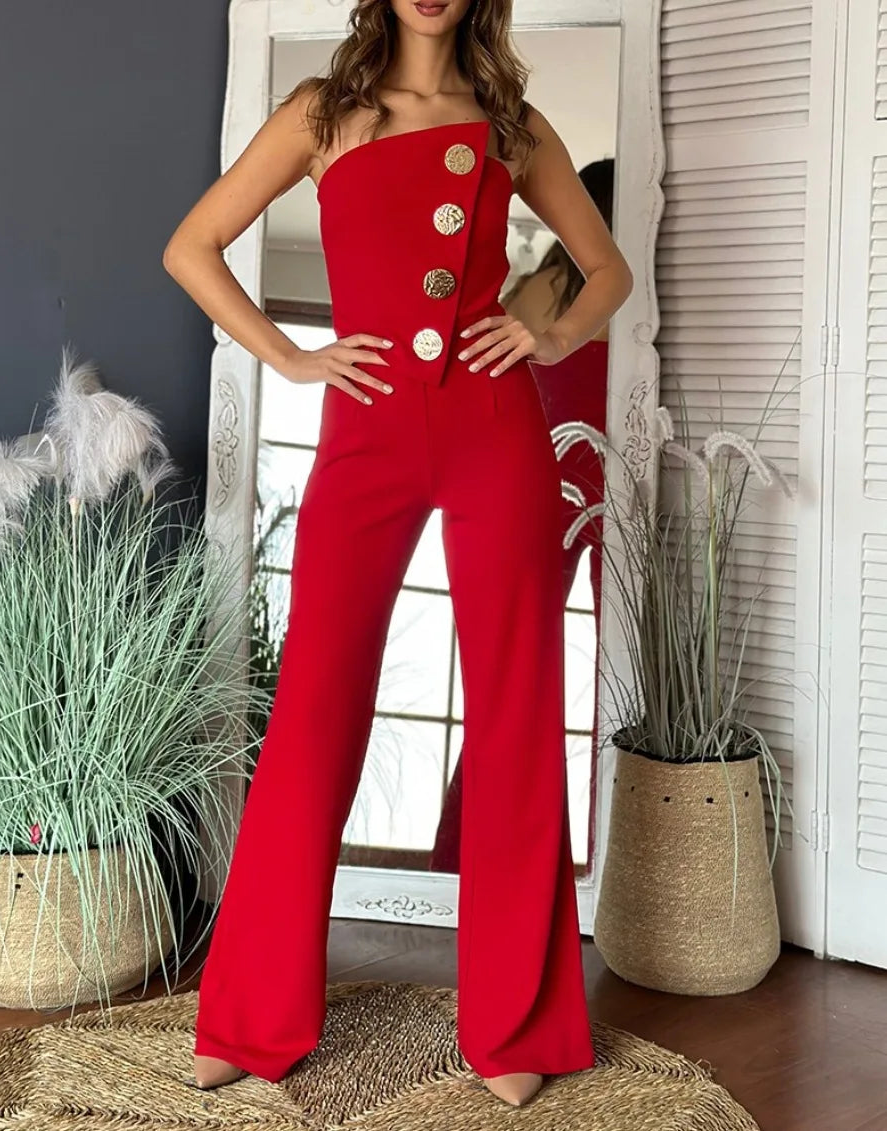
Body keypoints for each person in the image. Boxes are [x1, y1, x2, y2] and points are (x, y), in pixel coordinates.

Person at [162, 0, 632, 1109]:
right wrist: (292, 354)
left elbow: (604, 268)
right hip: (365, 435)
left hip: (492, 431)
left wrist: (549, 333)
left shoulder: (510, 123)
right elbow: (192, 246)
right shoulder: (322, 115)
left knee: (517, 705)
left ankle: (516, 1029)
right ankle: (252, 1016)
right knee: (317, 708)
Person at [430, 159, 613, 875]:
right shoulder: (627, 295)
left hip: (545, 474)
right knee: (602, 681)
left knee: (512, 679)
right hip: (588, 474)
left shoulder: (533, 293)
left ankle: (461, 862)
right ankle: (601, 865)